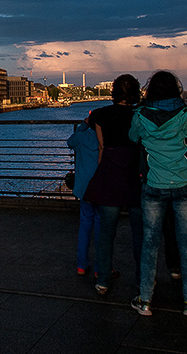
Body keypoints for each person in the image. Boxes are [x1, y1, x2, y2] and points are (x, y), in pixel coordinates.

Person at [129, 71, 187, 317]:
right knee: (186, 243)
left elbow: (132, 138)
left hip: (153, 185)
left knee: (150, 243)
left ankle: (146, 300)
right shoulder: (185, 115)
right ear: (176, 89)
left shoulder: (140, 116)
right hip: (183, 184)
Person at [83, 74, 143, 295]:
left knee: (106, 233)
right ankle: (142, 279)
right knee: (141, 234)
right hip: (135, 175)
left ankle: (103, 280)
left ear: (113, 92)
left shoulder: (101, 115)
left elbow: (100, 146)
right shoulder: (141, 114)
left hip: (110, 173)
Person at [67, 115, 101, 277]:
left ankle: (81, 265)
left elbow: (70, 141)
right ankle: (100, 268)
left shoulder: (80, 138)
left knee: (85, 226)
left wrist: (83, 125)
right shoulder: (105, 140)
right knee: (102, 229)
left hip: (84, 190)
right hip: (101, 190)